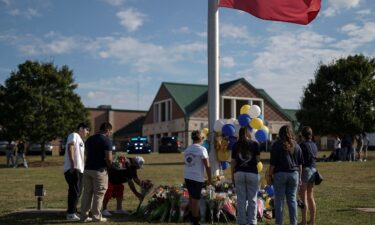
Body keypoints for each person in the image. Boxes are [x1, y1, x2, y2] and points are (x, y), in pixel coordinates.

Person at [267, 125, 303, 225]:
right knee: (292, 201)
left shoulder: (276, 145)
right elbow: (300, 164)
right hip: (294, 174)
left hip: (280, 174)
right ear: (291, 133)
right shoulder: (297, 145)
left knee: (279, 201)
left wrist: (269, 176)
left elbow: (272, 164)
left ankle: (279, 223)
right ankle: (294, 223)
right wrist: (299, 178)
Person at [81, 122, 113, 222]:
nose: (110, 133)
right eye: (110, 132)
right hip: (99, 170)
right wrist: (111, 166)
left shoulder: (89, 139)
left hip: (87, 169)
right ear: (107, 130)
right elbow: (108, 158)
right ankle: (96, 216)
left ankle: (84, 216)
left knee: (87, 194)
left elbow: (85, 154)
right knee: (99, 194)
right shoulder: (106, 140)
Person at [231, 127, 260, 225]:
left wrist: (232, 176)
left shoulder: (235, 145)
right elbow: (258, 160)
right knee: (252, 199)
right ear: (248, 134)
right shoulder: (255, 144)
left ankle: (241, 222)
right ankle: (252, 222)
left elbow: (233, 163)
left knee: (241, 200)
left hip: (239, 173)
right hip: (252, 173)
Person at [63, 122, 90, 221]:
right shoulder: (74, 135)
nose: (87, 132)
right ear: (81, 128)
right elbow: (70, 147)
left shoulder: (81, 140)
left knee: (77, 192)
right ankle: (70, 214)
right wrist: (73, 164)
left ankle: (73, 211)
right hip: (73, 168)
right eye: (87, 130)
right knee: (74, 191)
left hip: (80, 170)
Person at [184, 130, 211, 225]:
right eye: (203, 138)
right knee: (195, 199)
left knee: (191, 198)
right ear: (200, 138)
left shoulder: (188, 149)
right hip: (196, 177)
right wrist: (210, 178)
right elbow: (207, 165)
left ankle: (192, 218)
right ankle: (195, 221)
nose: (203, 140)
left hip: (187, 176)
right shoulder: (202, 149)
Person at [298, 126, 317, 225]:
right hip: (313, 170)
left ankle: (304, 221)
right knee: (310, 196)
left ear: (302, 134)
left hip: (305, 170)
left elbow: (299, 159)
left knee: (303, 197)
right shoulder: (314, 145)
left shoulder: (301, 145)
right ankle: (312, 221)